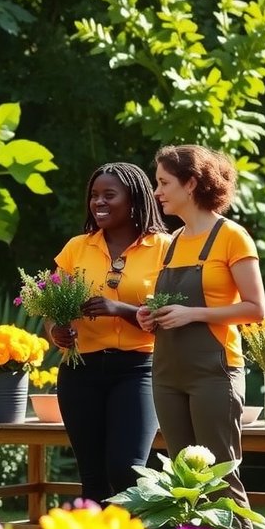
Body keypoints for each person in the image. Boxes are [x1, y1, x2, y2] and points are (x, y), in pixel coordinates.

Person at [138, 144, 265, 529]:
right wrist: (150, 315)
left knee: (220, 478)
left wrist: (192, 313)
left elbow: (256, 308)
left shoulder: (231, 236)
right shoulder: (171, 242)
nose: (157, 191)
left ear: (192, 183)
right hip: (168, 372)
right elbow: (170, 306)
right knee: (183, 479)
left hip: (214, 371)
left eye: (164, 182)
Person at [46, 163, 170, 503]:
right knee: (92, 474)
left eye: (109, 195)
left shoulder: (165, 248)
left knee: (127, 469)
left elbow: (171, 316)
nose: (98, 202)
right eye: (94, 196)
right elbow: (52, 307)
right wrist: (56, 330)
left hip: (139, 370)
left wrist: (123, 311)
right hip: (80, 371)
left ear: (134, 201)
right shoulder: (77, 247)